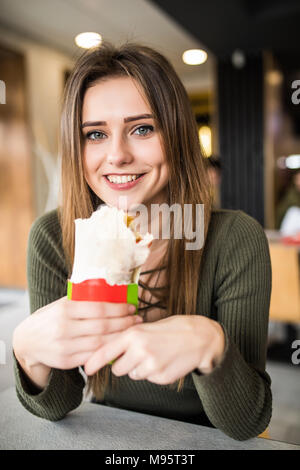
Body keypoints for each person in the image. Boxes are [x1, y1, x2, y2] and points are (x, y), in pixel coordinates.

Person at [12, 42, 272, 441]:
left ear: (178, 135)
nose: (116, 155)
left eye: (142, 129)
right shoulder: (52, 237)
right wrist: (27, 353)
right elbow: (57, 404)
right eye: (95, 134)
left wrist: (212, 346)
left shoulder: (235, 239)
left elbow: (247, 422)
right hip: (108, 434)